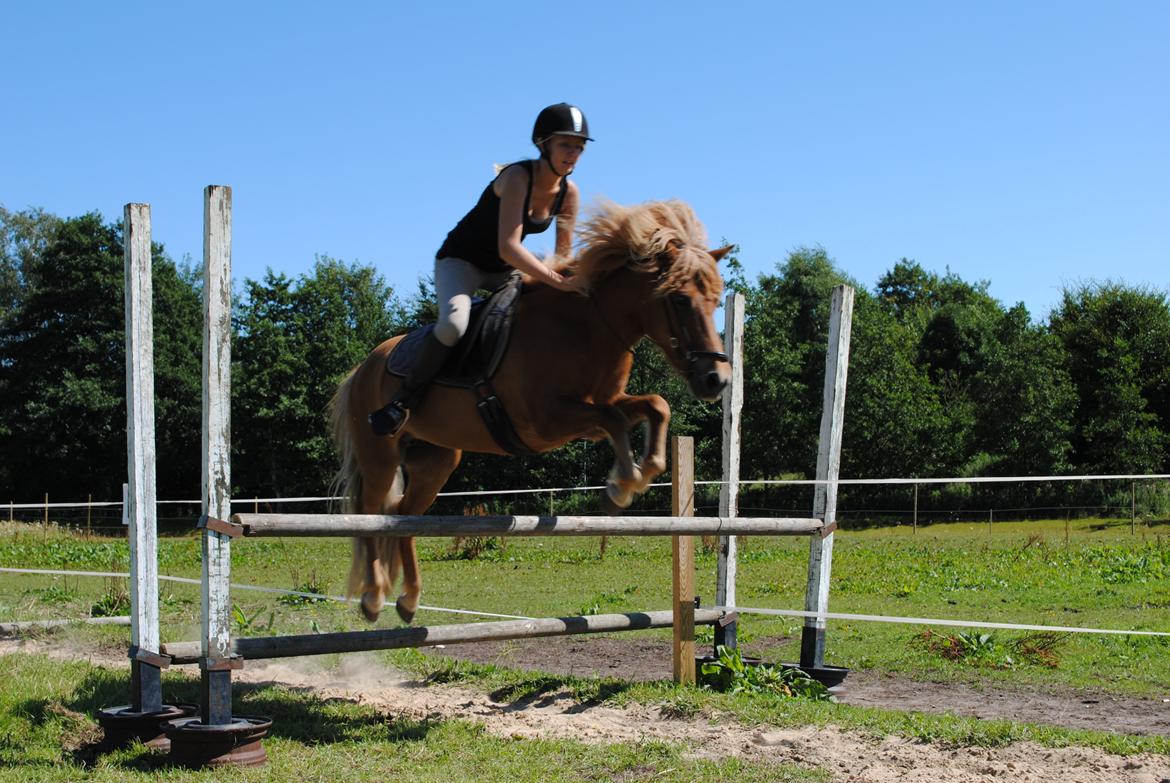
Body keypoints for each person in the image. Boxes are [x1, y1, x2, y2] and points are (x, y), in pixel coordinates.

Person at [369, 102, 591, 436]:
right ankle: (401, 403)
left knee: (538, 314)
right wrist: (556, 281)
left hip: (504, 271)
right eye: (565, 145)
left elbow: (562, 256)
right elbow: (509, 246)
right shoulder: (518, 177)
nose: (572, 154)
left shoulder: (569, 193)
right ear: (542, 144)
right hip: (461, 262)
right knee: (454, 324)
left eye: (579, 148)